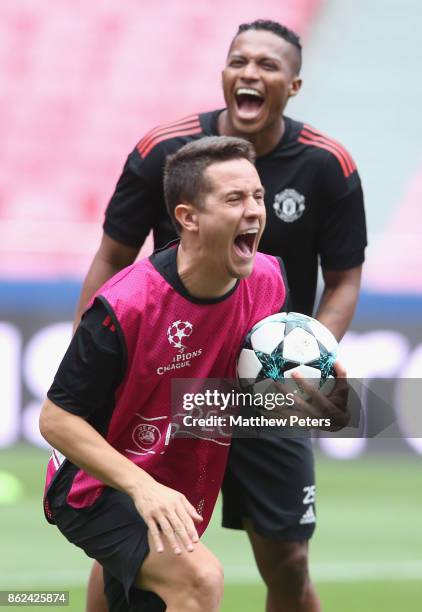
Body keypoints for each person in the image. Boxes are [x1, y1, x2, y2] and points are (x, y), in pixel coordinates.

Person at [75, 20, 367, 612]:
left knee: (288, 561)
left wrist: (303, 356)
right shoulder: (164, 150)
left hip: (269, 388)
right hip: (175, 377)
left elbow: (343, 281)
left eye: (267, 65)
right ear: (224, 72)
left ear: (294, 84)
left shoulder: (327, 166)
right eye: (239, 61)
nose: (250, 74)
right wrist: (96, 361)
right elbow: (111, 256)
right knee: (133, 551)